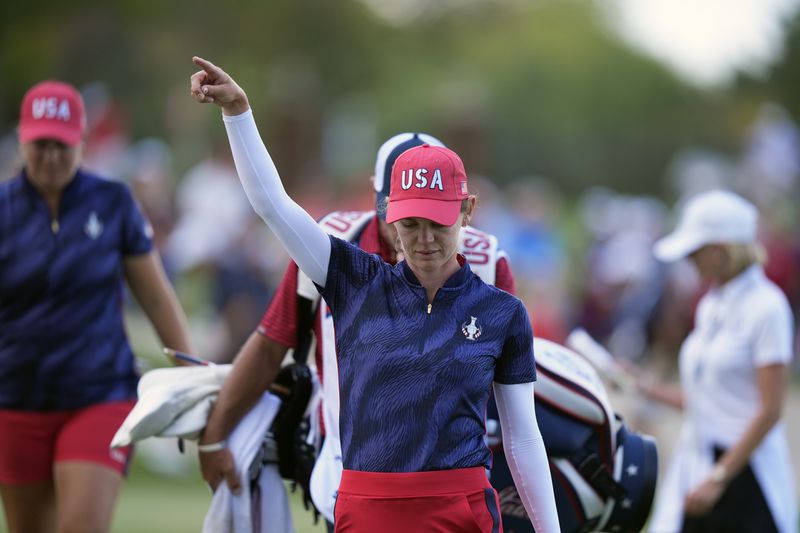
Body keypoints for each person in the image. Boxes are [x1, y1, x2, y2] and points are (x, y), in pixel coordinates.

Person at [190, 55, 560, 532]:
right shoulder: (352, 280)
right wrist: (238, 113)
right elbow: (273, 206)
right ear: (388, 215)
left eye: (438, 223)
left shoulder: (502, 312)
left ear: (466, 211)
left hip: (461, 508)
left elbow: (522, 438)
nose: (424, 239)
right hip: (364, 506)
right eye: (409, 223)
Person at [0, 80, 194, 532]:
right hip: (15, 399)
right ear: (24, 141)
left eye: (61, 145)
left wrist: (193, 375)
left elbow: (156, 299)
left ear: (82, 141)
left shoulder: (112, 202)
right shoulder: (4, 210)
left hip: (99, 395)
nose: (50, 156)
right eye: (40, 144)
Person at [635, 190, 797, 533]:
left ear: (720, 251)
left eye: (695, 252)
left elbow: (769, 411)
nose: (689, 260)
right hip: (700, 465)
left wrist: (720, 476)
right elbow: (707, 399)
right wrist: (643, 386)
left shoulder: (768, 307)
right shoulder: (711, 304)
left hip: (745, 477)